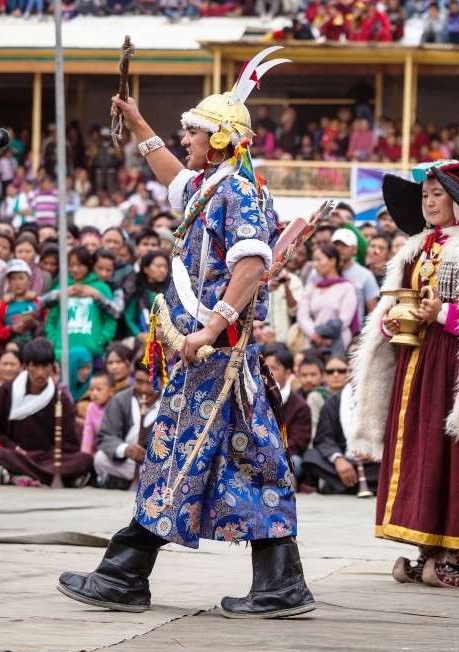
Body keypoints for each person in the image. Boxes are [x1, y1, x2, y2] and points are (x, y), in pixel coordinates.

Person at [58, 47, 314, 619]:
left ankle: (126, 571)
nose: (187, 141)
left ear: (220, 140)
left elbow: (251, 264)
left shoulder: (240, 192)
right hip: (209, 356)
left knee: (182, 453)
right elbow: (174, 179)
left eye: (194, 133)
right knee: (239, 457)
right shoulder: (210, 187)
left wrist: (210, 326)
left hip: (216, 353)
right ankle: (279, 581)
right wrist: (141, 124)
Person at [350, 160, 459, 588]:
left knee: (451, 450)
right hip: (414, 360)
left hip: (453, 363)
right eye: (425, 195)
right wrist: (390, 321)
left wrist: (442, 313)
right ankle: (427, 543)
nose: (430, 202)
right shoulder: (416, 248)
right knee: (420, 448)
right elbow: (393, 302)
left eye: (439, 194)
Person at [0, 338, 90, 487]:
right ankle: (61, 478)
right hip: (16, 454)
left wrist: (49, 453)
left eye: (45, 366)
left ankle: (17, 475)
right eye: (35, 366)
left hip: (47, 457)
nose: (40, 372)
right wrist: (14, 448)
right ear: (26, 366)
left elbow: (69, 442)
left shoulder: (60, 397)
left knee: (84, 460)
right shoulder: (7, 391)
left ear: (52, 367)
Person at [303, 354, 377, 494]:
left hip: (371, 462)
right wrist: (338, 459)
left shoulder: (376, 397)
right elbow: (324, 438)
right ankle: (357, 484)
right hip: (343, 461)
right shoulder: (332, 403)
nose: (336, 375)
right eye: (331, 371)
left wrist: (373, 451)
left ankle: (343, 486)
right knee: (311, 457)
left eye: (341, 371)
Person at [42, 246, 117, 362]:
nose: (75, 269)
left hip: (92, 351)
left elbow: (110, 319)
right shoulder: (62, 287)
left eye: (80, 265)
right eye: (71, 265)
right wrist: (55, 340)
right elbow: (51, 319)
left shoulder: (101, 288)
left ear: (88, 265)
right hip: (62, 352)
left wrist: (101, 340)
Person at [92, 360, 157, 490]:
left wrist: (149, 457)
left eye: (149, 382)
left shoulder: (171, 403)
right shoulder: (120, 399)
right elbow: (106, 436)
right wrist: (125, 449)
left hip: (155, 464)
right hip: (128, 462)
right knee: (100, 459)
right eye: (139, 382)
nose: (144, 389)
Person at [262, 345, 313, 480]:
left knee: (295, 462)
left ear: (288, 373)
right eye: (265, 368)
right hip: (258, 452)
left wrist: (272, 453)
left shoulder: (300, 405)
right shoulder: (253, 397)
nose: (267, 373)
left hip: (286, 454)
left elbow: (298, 442)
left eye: (274, 368)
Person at [297, 243, 357, 354]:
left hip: (338, 341)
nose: (315, 265)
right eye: (314, 260)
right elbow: (302, 316)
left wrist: (323, 334)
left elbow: (344, 320)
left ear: (333, 261)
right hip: (313, 342)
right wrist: (314, 335)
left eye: (319, 260)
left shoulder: (346, 287)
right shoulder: (312, 288)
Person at [331, 227, 379, 324]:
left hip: (354, 335)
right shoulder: (319, 272)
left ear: (354, 249)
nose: (339, 249)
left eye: (344, 245)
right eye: (336, 245)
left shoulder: (365, 275)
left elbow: (373, 313)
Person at [0, 259, 40, 347]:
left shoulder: (37, 302)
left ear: (29, 281)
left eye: (21, 278)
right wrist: (11, 330)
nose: (17, 283)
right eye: (13, 279)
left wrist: (35, 324)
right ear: (8, 282)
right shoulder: (2, 306)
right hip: (11, 349)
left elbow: (48, 325)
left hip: (36, 347)